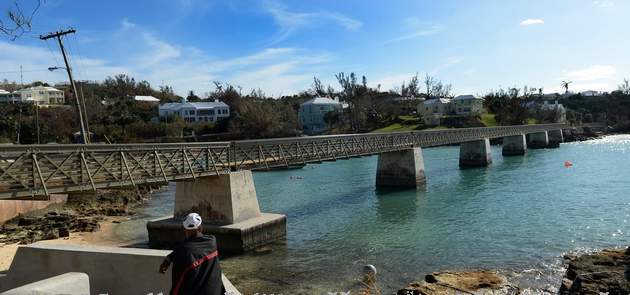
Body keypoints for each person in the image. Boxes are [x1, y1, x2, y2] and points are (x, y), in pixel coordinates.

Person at [159, 212, 224, 295]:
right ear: (201, 228)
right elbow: (192, 247)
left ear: (184, 229)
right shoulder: (212, 241)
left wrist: (169, 259)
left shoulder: (182, 253)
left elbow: (177, 286)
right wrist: (171, 256)